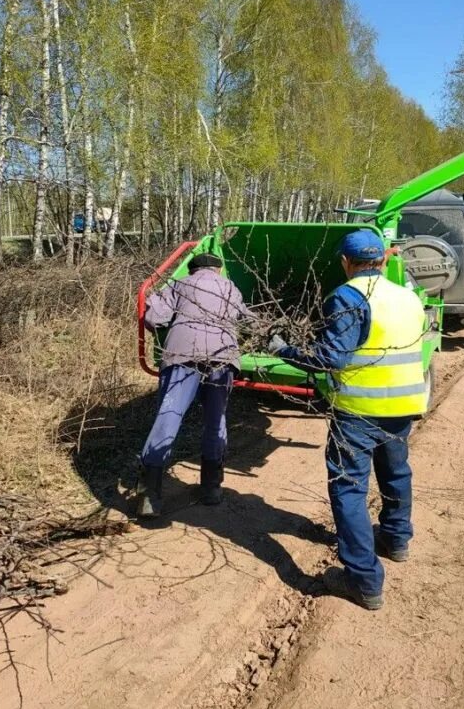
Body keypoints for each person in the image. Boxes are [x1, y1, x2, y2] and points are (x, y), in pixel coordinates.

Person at [268, 229, 427, 610]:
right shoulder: (407, 297)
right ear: (384, 260)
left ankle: (364, 582)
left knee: (349, 490)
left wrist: (284, 349)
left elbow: (331, 359)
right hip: (402, 406)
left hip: (358, 412)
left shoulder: (347, 296)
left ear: (345, 262)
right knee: (395, 474)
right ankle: (396, 539)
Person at [137, 252, 251, 518]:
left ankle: (149, 497)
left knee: (169, 418)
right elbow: (247, 320)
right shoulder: (230, 287)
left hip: (182, 354)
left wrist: (153, 299)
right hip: (222, 357)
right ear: (219, 271)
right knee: (215, 420)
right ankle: (211, 488)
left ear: (192, 270)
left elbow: (155, 318)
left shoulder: (180, 284)